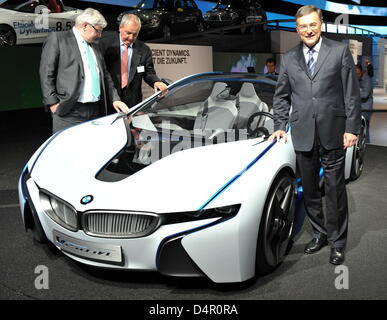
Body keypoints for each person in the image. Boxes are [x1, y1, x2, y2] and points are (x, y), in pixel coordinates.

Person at [269, 5, 361, 265]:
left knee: (334, 191)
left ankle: (337, 242)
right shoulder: (288, 58)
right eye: (302, 26)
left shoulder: (339, 51)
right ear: (297, 30)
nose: (308, 30)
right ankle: (319, 233)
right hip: (303, 133)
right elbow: (281, 97)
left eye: (312, 24)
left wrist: (351, 128)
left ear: (321, 24)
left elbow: (350, 94)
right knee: (309, 191)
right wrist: (278, 124)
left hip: (334, 131)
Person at [39, 8, 129, 133]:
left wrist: (115, 99)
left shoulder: (95, 46)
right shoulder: (59, 39)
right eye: (98, 30)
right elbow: (46, 72)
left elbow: (105, 75)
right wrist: (52, 103)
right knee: (66, 149)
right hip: (68, 110)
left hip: (94, 110)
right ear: (85, 26)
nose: (100, 35)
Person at [98, 13, 168, 111]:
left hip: (132, 104)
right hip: (108, 102)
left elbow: (149, 72)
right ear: (120, 28)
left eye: (135, 34)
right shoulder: (104, 44)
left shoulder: (144, 50)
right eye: (128, 33)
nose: (131, 38)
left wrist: (156, 81)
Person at [356, 63, 373, 143]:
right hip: (359, 108)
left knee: (365, 129)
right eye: (355, 73)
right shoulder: (357, 80)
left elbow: (365, 94)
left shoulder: (366, 80)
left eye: (358, 73)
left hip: (365, 109)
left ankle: (367, 146)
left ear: (362, 72)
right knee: (359, 129)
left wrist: (353, 94)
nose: (356, 75)